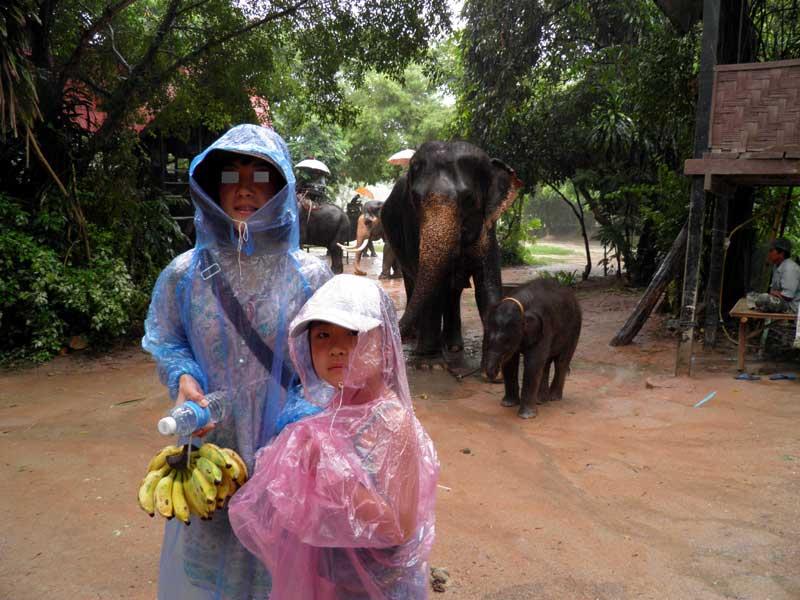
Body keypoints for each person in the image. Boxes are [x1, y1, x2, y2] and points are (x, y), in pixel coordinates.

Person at [142, 124, 332, 599]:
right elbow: (167, 340)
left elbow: (331, 366)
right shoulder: (184, 274)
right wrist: (183, 377)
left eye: (260, 176)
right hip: (211, 448)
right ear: (212, 185)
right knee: (214, 569)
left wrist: (293, 429)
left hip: (286, 454)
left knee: (279, 568)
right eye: (231, 174)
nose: (245, 187)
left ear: (282, 188)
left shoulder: (310, 278)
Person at [229, 274, 440, 599]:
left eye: (353, 334)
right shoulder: (330, 408)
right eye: (323, 335)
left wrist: (334, 475)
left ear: (384, 344)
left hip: (380, 588)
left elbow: (399, 526)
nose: (337, 348)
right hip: (337, 580)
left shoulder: (392, 424)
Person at [754, 237, 800, 314]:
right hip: (782, 301)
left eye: (771, 250)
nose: (769, 253)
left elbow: (788, 296)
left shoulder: (790, 268)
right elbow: (774, 291)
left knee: (763, 299)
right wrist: (774, 293)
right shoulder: (777, 266)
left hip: (791, 306)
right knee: (754, 297)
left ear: (781, 253)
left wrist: (774, 293)